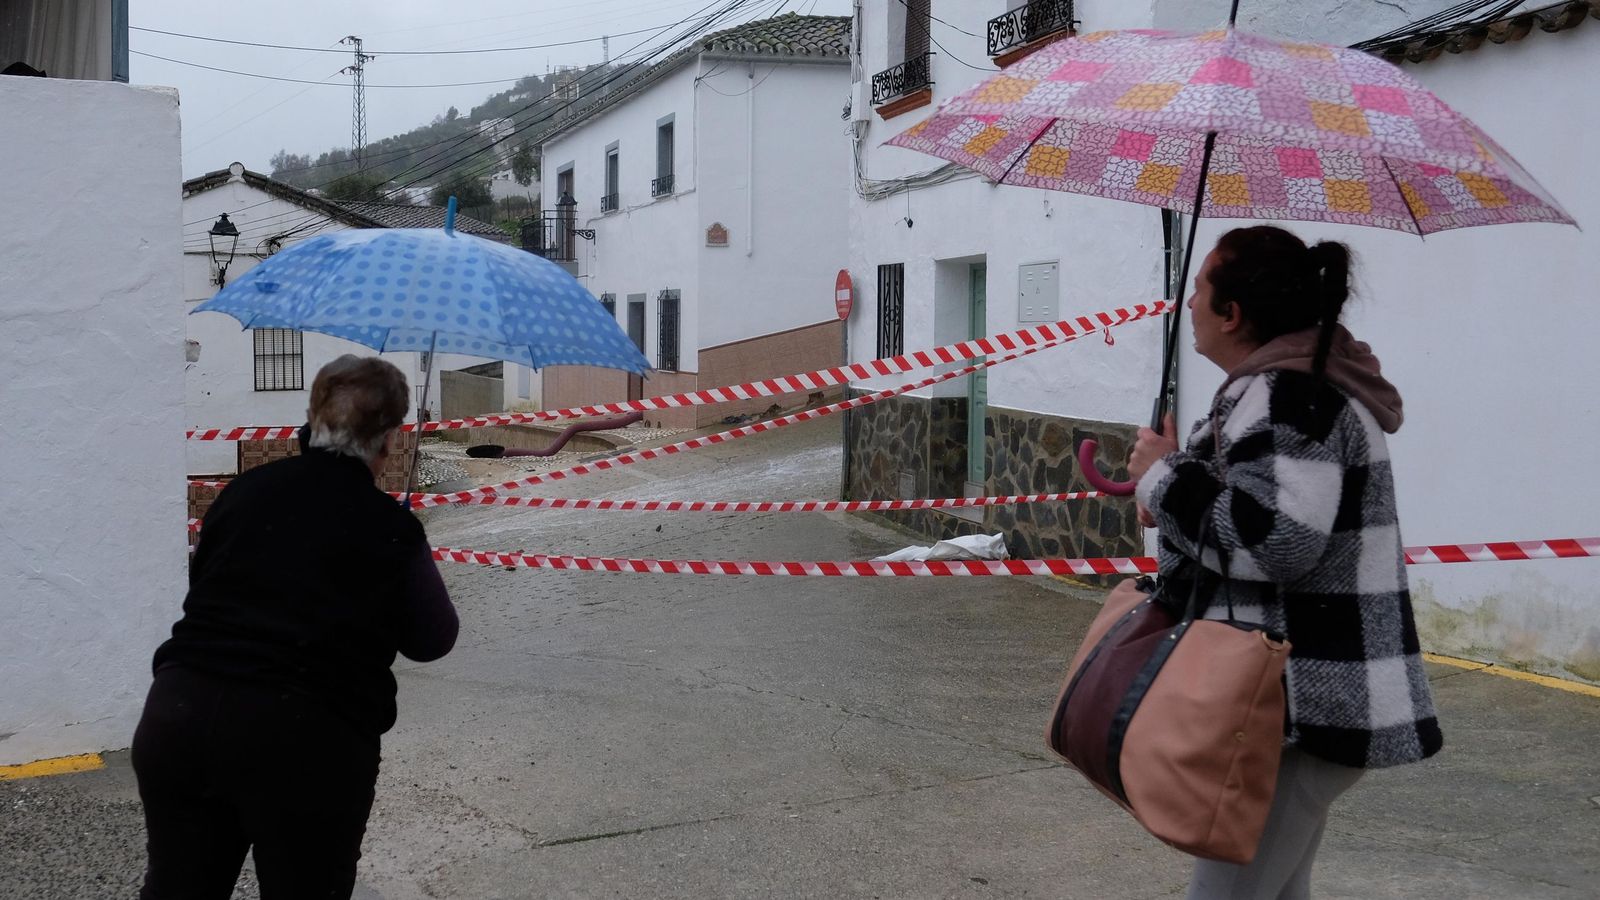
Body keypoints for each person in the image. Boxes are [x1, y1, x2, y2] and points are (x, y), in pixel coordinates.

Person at [1126, 226, 1442, 900]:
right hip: (1296, 698)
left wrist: (1164, 480)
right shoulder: (1292, 387)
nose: (1189, 307)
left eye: (1200, 290)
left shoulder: (1286, 393)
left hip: (1293, 702)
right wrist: (1175, 480)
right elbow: (1259, 516)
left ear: (1232, 314)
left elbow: (1279, 543)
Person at [132, 355, 459, 899]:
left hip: (179, 717)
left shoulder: (241, 494)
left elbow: (204, 587)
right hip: (306, 742)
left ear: (312, 420)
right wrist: (401, 543)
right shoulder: (388, 527)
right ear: (389, 441)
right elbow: (433, 638)